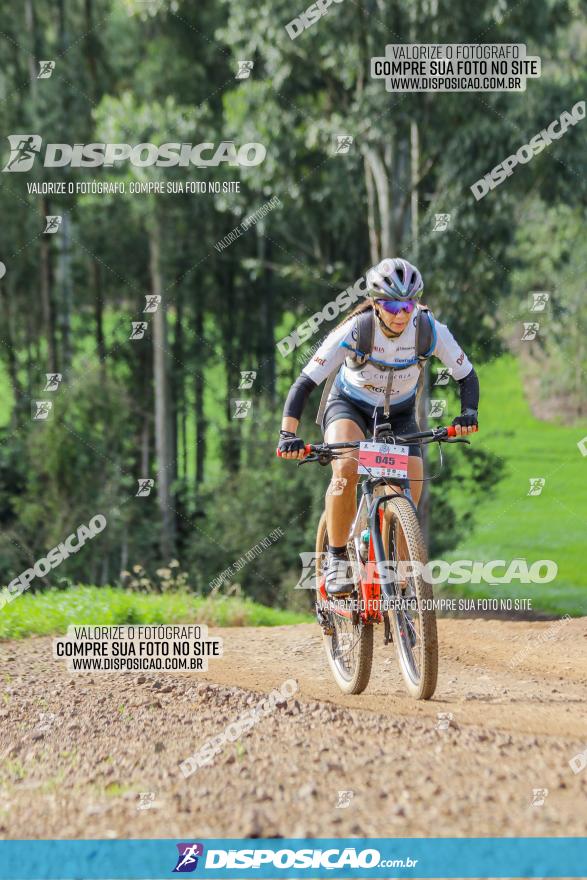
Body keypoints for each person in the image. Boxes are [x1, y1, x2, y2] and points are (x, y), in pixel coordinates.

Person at [277, 257, 479, 597]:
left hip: (398, 416)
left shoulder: (428, 329)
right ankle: (337, 557)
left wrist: (468, 413)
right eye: (392, 304)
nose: (401, 313)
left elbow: (467, 376)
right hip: (349, 407)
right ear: (376, 302)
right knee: (346, 469)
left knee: (407, 494)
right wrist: (287, 433)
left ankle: (397, 580)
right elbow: (305, 383)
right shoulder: (357, 329)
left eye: (408, 304)